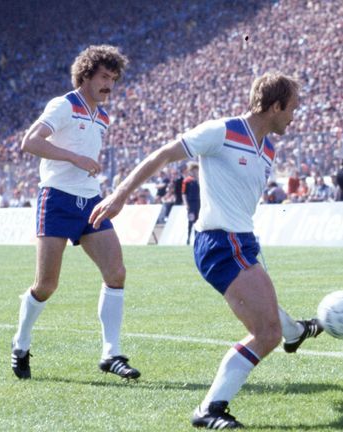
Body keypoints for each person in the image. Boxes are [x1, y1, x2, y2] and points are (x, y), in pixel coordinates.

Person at [89, 72, 323, 429]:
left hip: (241, 242)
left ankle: (294, 333)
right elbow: (163, 155)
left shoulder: (269, 148)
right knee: (266, 333)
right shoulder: (223, 131)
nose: (295, 115)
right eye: (292, 108)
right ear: (275, 106)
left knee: (268, 323)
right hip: (220, 242)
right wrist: (120, 194)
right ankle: (210, 409)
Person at [10, 45, 140, 381]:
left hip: (90, 201)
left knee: (116, 272)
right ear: (85, 76)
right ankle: (21, 343)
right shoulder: (64, 104)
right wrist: (74, 158)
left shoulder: (103, 116)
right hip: (56, 200)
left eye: (113, 78)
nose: (109, 84)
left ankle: (111, 353)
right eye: (103, 77)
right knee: (47, 284)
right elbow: (29, 142)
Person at [182, 162, 201, 245]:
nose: (195, 172)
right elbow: (184, 193)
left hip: (199, 203)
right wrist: (186, 204)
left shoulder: (200, 180)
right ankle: (188, 238)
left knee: (198, 221)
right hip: (191, 204)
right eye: (193, 170)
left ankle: (197, 238)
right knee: (191, 221)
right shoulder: (187, 181)